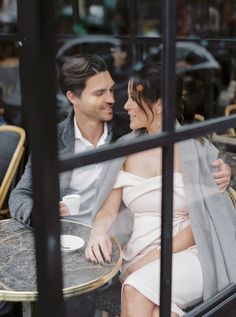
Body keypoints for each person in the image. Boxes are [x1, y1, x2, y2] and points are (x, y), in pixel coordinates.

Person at [85, 63, 236, 317]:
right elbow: (108, 209)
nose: (126, 106)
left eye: (134, 99)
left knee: (134, 289)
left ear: (159, 104)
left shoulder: (194, 150)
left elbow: (203, 222)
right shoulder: (125, 149)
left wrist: (154, 255)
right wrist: (98, 231)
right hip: (138, 254)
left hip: (192, 253)